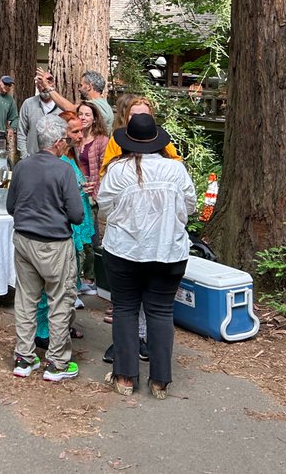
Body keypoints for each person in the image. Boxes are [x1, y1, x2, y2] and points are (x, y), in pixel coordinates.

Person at [98, 113, 197, 400]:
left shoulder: (118, 170)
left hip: (124, 250)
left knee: (125, 309)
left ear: (127, 142)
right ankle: (160, 381)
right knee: (161, 311)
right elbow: (190, 206)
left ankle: (125, 377)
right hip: (168, 250)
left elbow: (104, 207)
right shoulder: (176, 170)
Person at [7, 114, 84, 382]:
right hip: (54, 243)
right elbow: (77, 215)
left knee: (26, 300)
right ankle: (57, 363)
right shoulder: (64, 170)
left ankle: (24, 357)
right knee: (59, 300)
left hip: (24, 239)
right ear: (59, 142)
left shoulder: (22, 166)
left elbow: (11, 206)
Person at [75, 101, 110, 292]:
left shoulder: (101, 140)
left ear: (94, 118)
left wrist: (95, 187)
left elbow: (105, 169)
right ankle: (77, 274)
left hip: (92, 194)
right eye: (80, 114)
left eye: (87, 115)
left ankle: (90, 277)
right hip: (74, 192)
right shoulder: (75, 137)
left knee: (91, 236)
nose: (83, 118)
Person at [42, 69, 114, 132]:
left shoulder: (94, 105)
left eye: (81, 85)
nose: (79, 89)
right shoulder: (104, 105)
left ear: (89, 87)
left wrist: (47, 87)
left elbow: (69, 108)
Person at [17, 72, 64, 158]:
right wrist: (25, 157)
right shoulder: (28, 104)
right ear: (37, 86)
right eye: (41, 83)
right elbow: (21, 133)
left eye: (49, 82)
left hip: (56, 160)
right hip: (32, 158)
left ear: (54, 84)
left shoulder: (62, 106)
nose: (45, 86)